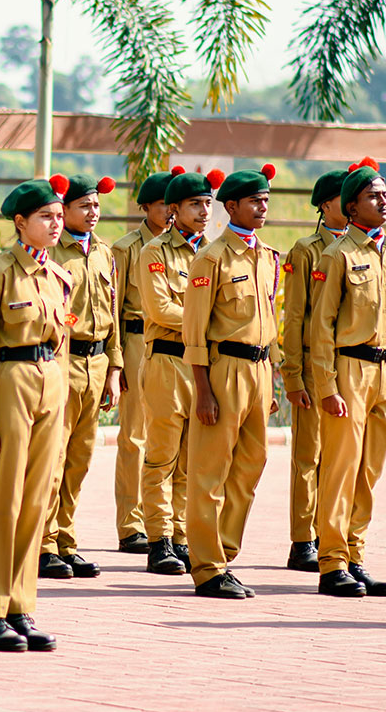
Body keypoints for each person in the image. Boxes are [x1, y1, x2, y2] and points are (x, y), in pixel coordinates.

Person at [0, 176, 74, 653]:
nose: (55, 224)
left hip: (50, 382)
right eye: (45, 217)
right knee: (6, 500)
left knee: (37, 501)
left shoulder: (61, 276)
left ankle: (20, 605)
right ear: (20, 223)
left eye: (58, 215)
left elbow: (63, 337)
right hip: (10, 381)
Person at [307, 158, 386, 598]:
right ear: (351, 207)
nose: (382, 201)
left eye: (385, 194)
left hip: (385, 372)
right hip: (349, 368)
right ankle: (331, 563)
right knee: (341, 470)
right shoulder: (337, 256)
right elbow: (320, 326)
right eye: (373, 195)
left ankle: (355, 555)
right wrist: (326, 387)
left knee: (369, 471)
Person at [183, 165, 282, 599]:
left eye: (265, 200)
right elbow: (195, 331)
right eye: (254, 201)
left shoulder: (267, 255)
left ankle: (223, 553)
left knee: (250, 466)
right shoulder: (211, 258)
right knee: (209, 471)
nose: (262, 207)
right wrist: (202, 390)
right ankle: (206, 567)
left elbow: (270, 323)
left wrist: (273, 380)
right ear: (232, 207)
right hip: (224, 371)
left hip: (259, 372)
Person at [39, 174, 121, 581]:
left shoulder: (104, 252)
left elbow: (114, 314)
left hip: (97, 363)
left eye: (96, 206)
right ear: (65, 210)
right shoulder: (52, 252)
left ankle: (67, 541)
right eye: (85, 206)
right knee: (53, 460)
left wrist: (115, 368)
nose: (93, 213)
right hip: (63, 361)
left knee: (79, 462)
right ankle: (44, 543)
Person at [135, 167, 215, 575]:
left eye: (207, 204)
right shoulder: (156, 253)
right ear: (173, 209)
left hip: (203, 364)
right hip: (167, 360)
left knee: (191, 459)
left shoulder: (214, 251)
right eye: (194, 205)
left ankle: (182, 538)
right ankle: (159, 539)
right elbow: (159, 309)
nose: (204, 211)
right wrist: (208, 320)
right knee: (161, 456)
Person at [277, 169, 348, 572]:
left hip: (351, 366)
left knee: (341, 459)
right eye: (343, 197)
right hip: (312, 365)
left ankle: (333, 533)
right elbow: (295, 315)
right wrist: (294, 375)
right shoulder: (306, 250)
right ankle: (303, 539)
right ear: (325, 205)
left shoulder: (365, 247)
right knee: (309, 455)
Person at [110, 168, 175, 554]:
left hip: (177, 349)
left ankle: (164, 525)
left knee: (168, 438)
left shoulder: (192, 248)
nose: (169, 211)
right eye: (163, 204)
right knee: (134, 436)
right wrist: (115, 363)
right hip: (136, 340)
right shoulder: (126, 249)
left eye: (174, 204)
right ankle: (130, 523)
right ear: (145, 207)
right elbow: (113, 310)